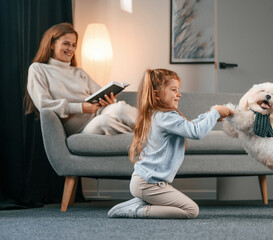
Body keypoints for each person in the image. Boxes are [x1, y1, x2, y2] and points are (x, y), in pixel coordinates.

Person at [107, 69, 233, 219]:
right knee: (191, 210)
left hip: (145, 183)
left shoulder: (159, 115)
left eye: (178, 90)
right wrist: (215, 113)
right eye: (173, 90)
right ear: (156, 95)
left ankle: (140, 202)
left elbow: (189, 126)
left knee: (187, 209)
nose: (179, 94)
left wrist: (209, 116)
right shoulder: (166, 117)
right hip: (148, 184)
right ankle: (137, 210)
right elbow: (196, 132)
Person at [24, 22, 136, 136]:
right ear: (51, 44)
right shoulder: (38, 69)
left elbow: (99, 91)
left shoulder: (79, 72)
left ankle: (150, 135)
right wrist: (81, 108)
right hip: (80, 127)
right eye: (66, 44)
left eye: (73, 45)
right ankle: (145, 138)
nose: (70, 49)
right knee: (104, 122)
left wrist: (109, 101)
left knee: (120, 107)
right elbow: (44, 105)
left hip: (99, 113)